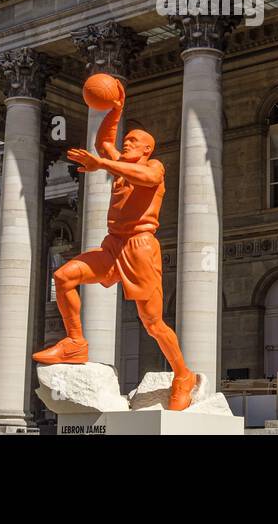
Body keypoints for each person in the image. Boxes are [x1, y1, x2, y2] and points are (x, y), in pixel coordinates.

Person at [34, 78, 196, 411]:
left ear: (146, 149)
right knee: (64, 276)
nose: (127, 142)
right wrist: (116, 111)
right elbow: (103, 140)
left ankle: (183, 374)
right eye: (128, 138)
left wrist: (102, 164)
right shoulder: (121, 164)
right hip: (113, 245)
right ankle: (76, 342)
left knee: (152, 322)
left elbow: (146, 179)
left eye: (133, 140)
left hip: (139, 246)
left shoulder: (153, 167)